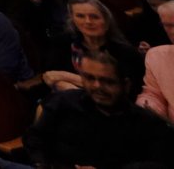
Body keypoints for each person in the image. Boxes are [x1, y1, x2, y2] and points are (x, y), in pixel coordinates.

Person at [25, 49, 174, 169]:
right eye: (90, 79)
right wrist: (42, 164)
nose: (97, 86)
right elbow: (34, 138)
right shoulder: (63, 102)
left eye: (107, 81)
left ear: (126, 85)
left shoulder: (147, 123)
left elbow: (158, 163)